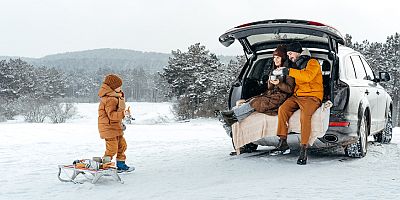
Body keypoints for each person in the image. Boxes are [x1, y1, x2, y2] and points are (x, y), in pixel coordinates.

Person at [219, 44, 295, 128]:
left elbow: (290, 89)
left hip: (281, 98)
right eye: (274, 58)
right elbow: (270, 88)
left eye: (278, 58)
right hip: (272, 95)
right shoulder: (274, 70)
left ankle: (232, 115)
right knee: (252, 100)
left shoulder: (288, 71)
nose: (275, 60)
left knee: (256, 102)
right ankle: (232, 118)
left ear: (283, 58)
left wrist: (279, 83)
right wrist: (270, 82)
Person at [273, 42, 323, 165]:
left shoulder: (313, 62)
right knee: (283, 109)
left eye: (290, 53)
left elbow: (307, 76)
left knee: (305, 116)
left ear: (297, 52)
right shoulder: (295, 65)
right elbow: (296, 81)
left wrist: (289, 71)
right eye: (288, 54)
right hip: (298, 96)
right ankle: (283, 141)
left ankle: (303, 148)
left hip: (313, 96)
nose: (289, 56)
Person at [98, 74, 135, 172]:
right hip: (108, 128)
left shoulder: (115, 97)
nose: (121, 88)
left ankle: (121, 164)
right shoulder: (110, 99)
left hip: (115, 127)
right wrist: (123, 113)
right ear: (112, 87)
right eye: (119, 86)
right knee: (112, 148)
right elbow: (112, 115)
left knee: (122, 145)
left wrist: (121, 122)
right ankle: (105, 165)